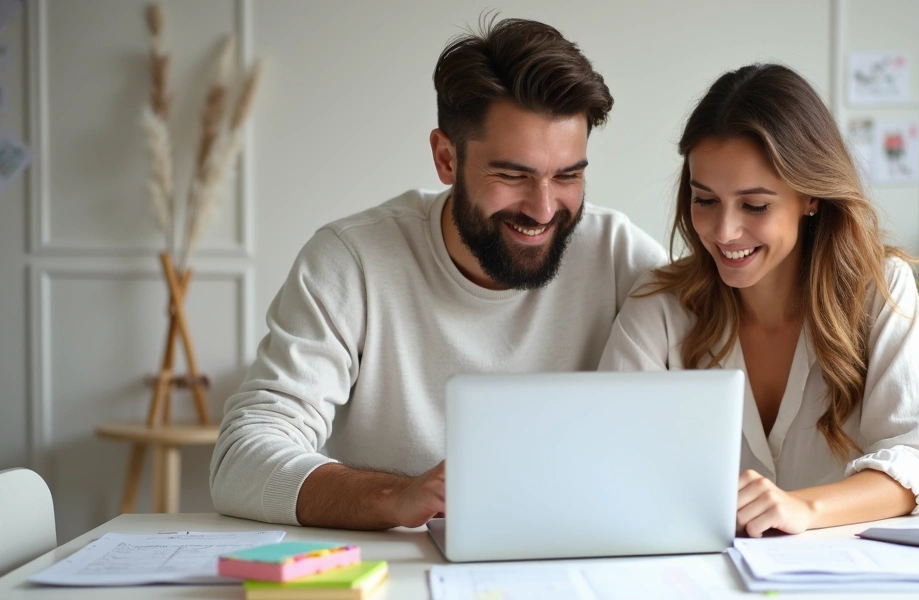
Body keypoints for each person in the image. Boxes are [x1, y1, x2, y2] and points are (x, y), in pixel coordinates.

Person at [211, 18, 666, 530]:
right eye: (512, 175)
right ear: (446, 158)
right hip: (392, 580)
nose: (542, 209)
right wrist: (398, 497)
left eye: (568, 175)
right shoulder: (351, 259)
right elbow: (241, 458)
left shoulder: (623, 258)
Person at [598, 63, 919, 537]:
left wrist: (801, 509)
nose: (724, 231)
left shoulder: (879, 289)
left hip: (848, 591)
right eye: (704, 199)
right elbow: (609, 465)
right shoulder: (658, 307)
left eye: (755, 205)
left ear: (810, 196)